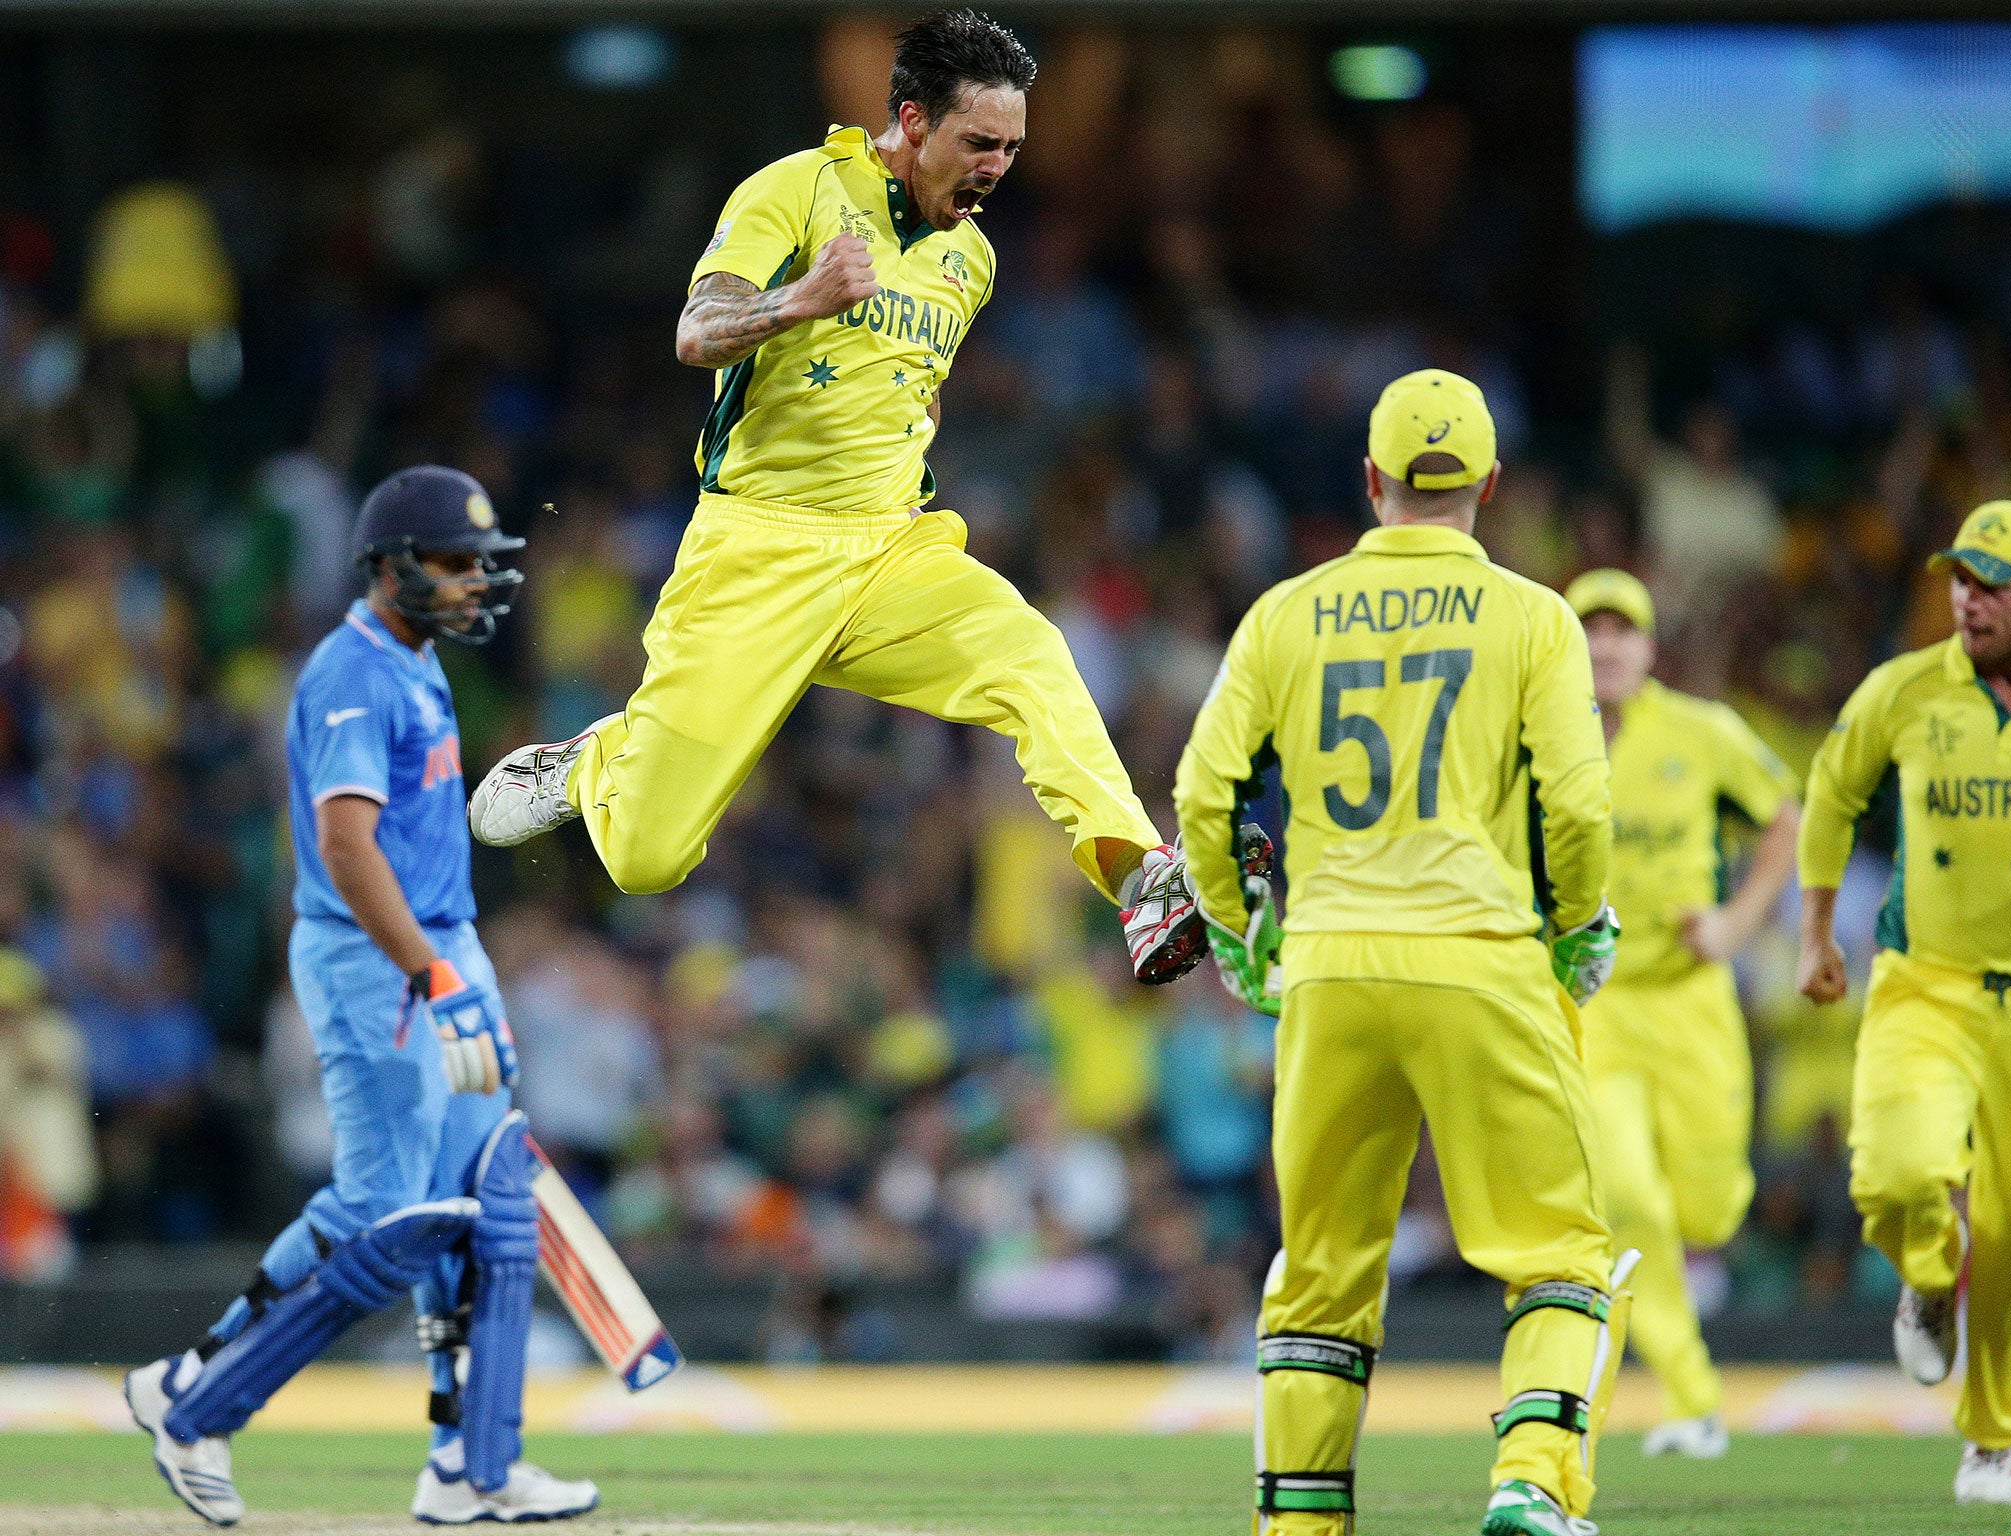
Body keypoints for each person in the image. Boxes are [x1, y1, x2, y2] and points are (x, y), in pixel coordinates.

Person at [469, 11, 1246, 986]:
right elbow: (696, 330)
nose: (996, 168)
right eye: (978, 143)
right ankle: (595, 761)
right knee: (645, 860)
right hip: (760, 551)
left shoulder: (973, 260)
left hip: (888, 549)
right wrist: (795, 303)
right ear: (913, 122)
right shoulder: (796, 193)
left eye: (1010, 147)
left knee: (1030, 654)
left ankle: (1141, 879)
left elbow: (898, 392)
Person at [1175, 368, 1632, 1536]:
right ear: (1489, 483)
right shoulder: (1535, 618)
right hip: (1478, 956)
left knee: (1321, 1269)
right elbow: (1576, 808)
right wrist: (1577, 923)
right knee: (1556, 1250)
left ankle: (1299, 1524)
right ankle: (1530, 1477)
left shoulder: (1283, 613)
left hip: (1327, 967)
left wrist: (1238, 927)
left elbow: (1200, 790)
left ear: (1369, 480)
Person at [124, 467, 598, 1527]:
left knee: (489, 1201)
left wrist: (460, 966)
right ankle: (194, 1394)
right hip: (375, 967)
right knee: (390, 1213)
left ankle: (473, 1463)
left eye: (484, 563)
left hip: (444, 950)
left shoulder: (414, 661)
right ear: (388, 568)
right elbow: (343, 848)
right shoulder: (352, 673)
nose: (477, 582)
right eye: (453, 562)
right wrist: (432, 976)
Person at [1798, 499, 2011, 1508]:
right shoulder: (1902, 690)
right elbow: (1828, 790)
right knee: (1897, 1176)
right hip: (1922, 981)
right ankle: (1926, 1269)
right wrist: (1816, 934)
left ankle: (1995, 1438)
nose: (1965, 599)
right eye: (1957, 578)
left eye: (1989, 583)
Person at [1566, 569, 1800, 1459]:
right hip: (1596, 1005)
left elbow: (1787, 820)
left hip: (1694, 1001)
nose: (1608, 646)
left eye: (1624, 631)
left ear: (1650, 648)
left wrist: (1738, 923)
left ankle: (1705, 1234)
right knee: (1625, 1195)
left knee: (1705, 1212)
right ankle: (1693, 1394)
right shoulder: (1538, 740)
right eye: (1592, 630)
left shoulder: (1702, 734)